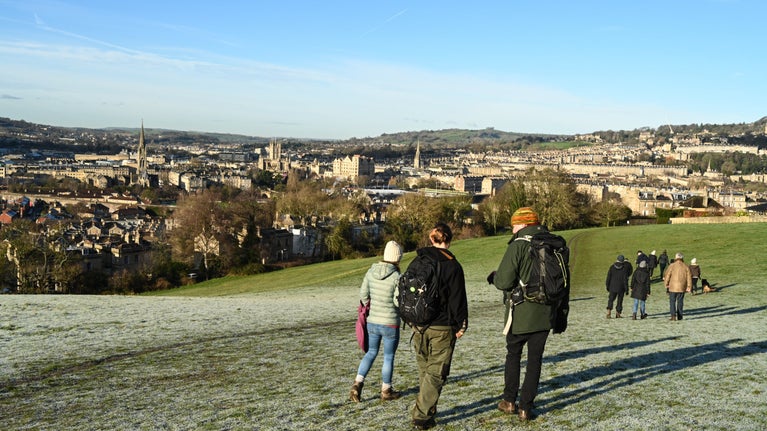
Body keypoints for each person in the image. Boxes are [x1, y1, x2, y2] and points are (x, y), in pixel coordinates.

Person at [490, 207, 568, 422]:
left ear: (524, 224)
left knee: (513, 355)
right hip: (546, 312)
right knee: (535, 360)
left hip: (521, 311)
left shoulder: (519, 245)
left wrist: (495, 278)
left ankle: (508, 401)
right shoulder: (554, 244)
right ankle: (526, 407)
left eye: (514, 224)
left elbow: (504, 281)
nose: (512, 229)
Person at [410, 223, 468, 430]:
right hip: (442, 326)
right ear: (449, 239)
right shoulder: (452, 265)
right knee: (436, 372)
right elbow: (458, 299)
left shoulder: (418, 260)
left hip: (418, 324)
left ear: (431, 239)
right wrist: (462, 324)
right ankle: (422, 415)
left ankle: (427, 408)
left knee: (425, 370)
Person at [349, 241, 404, 403]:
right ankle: (386, 390)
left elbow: (363, 295)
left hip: (372, 321)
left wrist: (372, 306)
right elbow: (397, 301)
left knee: (371, 353)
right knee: (388, 356)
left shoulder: (371, 272)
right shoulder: (397, 277)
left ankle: (357, 383)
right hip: (390, 323)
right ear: (398, 258)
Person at [664, 252, 692, 321]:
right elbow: (689, 277)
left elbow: (667, 275)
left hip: (673, 286)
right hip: (682, 287)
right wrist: (689, 286)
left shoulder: (672, 265)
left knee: (672, 301)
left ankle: (673, 315)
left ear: (675, 258)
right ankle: (680, 315)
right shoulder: (685, 266)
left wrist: (666, 283)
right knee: (680, 301)